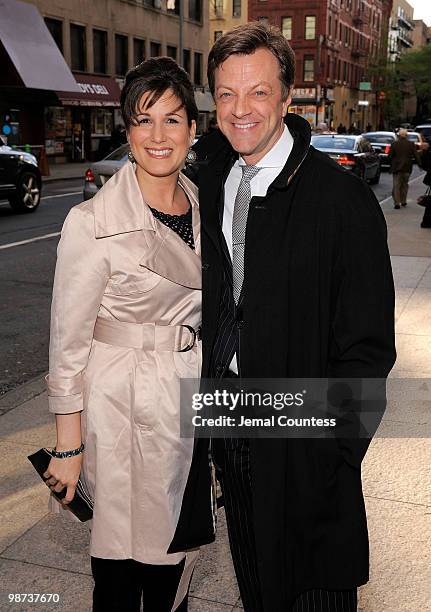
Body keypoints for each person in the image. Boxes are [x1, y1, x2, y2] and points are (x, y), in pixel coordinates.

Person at [169, 22, 396, 612]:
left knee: (314, 590)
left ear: (287, 97)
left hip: (307, 443)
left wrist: (333, 455)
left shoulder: (341, 203)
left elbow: (368, 349)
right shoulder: (213, 179)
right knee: (259, 586)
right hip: (232, 424)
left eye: (259, 92)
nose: (241, 110)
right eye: (226, 94)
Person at [43, 57, 201, 612]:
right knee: (121, 562)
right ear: (127, 130)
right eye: (143, 120)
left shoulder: (204, 205)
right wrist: (69, 446)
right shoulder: (91, 222)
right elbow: (66, 345)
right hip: (120, 404)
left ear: (193, 129)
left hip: (184, 393)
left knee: (175, 550)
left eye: (173, 120)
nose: (159, 136)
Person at [389, 127, 421, 209]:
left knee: (396, 185)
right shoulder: (411, 144)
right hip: (407, 167)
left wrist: (391, 163)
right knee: (404, 185)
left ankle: (397, 203)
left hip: (396, 168)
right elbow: (416, 155)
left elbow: (390, 156)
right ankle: (403, 201)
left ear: (399, 135)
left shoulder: (394, 144)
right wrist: (420, 165)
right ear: (406, 135)